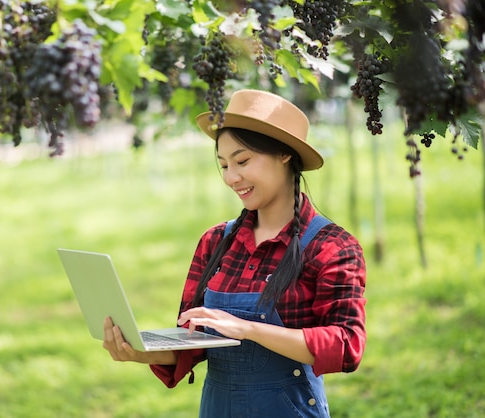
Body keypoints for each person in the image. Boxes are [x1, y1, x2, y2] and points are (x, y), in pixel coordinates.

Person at [102, 89, 367, 417]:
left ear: (284, 153)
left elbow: (346, 345)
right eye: (224, 164)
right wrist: (143, 352)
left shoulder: (331, 247)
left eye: (242, 161)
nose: (231, 177)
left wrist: (248, 329)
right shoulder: (215, 242)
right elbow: (193, 341)